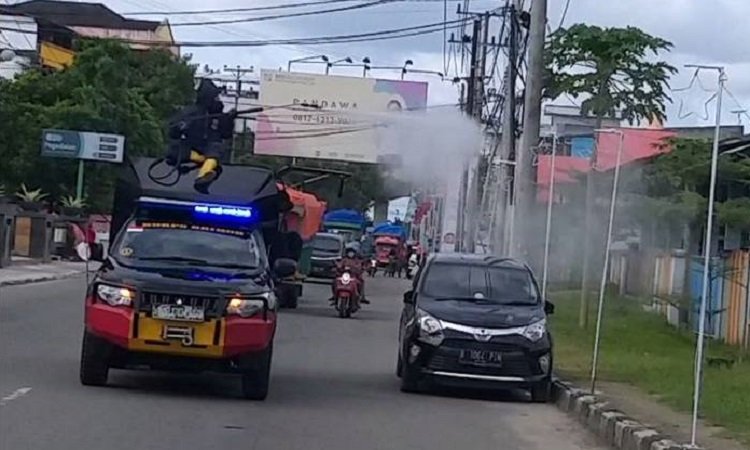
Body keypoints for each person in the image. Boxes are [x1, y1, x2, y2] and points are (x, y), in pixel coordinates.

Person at [166, 79, 236, 193]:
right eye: (215, 97)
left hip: (211, 148)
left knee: (215, 152)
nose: (218, 99)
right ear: (208, 98)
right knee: (175, 150)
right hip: (191, 147)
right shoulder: (190, 112)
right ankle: (204, 162)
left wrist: (229, 120)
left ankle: (202, 177)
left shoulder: (220, 116)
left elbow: (226, 134)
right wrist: (179, 126)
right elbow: (173, 132)